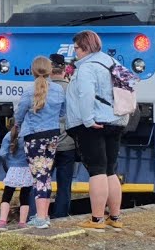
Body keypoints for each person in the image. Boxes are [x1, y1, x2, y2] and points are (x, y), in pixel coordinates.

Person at [65, 30, 126, 231]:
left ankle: (97, 219)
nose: (75, 52)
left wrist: (88, 119)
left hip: (94, 124)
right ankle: (115, 218)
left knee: (97, 170)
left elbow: (86, 95)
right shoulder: (113, 63)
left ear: (85, 47)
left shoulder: (87, 68)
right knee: (111, 170)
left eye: (76, 48)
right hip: (116, 121)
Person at [15, 56, 68, 227]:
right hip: (52, 136)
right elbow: (63, 113)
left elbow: (19, 114)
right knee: (45, 175)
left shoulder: (29, 91)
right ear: (50, 70)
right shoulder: (59, 90)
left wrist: (17, 125)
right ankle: (43, 216)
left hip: (33, 138)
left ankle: (40, 218)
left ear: (33, 71)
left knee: (39, 177)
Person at [49, 54, 77, 219]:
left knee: (40, 183)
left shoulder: (42, 89)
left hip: (47, 144)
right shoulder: (72, 89)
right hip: (68, 144)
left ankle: (36, 214)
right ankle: (60, 215)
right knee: (64, 185)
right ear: (64, 70)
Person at [0, 130, 32, 230]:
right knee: (25, 196)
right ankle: (22, 223)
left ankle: (2, 222)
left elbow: (2, 153)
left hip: (13, 169)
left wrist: (10, 159)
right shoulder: (30, 133)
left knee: (7, 196)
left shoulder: (10, 135)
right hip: (28, 170)